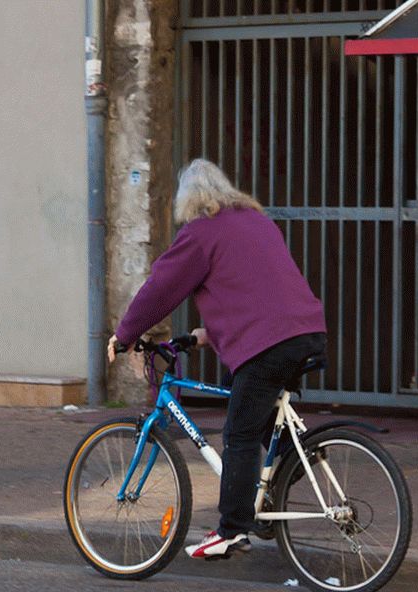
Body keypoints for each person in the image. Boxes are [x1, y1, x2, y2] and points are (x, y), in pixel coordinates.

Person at [107, 158, 327, 560]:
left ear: (187, 201)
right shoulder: (257, 222)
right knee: (245, 398)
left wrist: (125, 335)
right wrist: (210, 332)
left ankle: (231, 529)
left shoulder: (201, 232)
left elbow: (162, 287)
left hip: (269, 344)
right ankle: (281, 474)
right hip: (306, 332)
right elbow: (257, 287)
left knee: (239, 434)